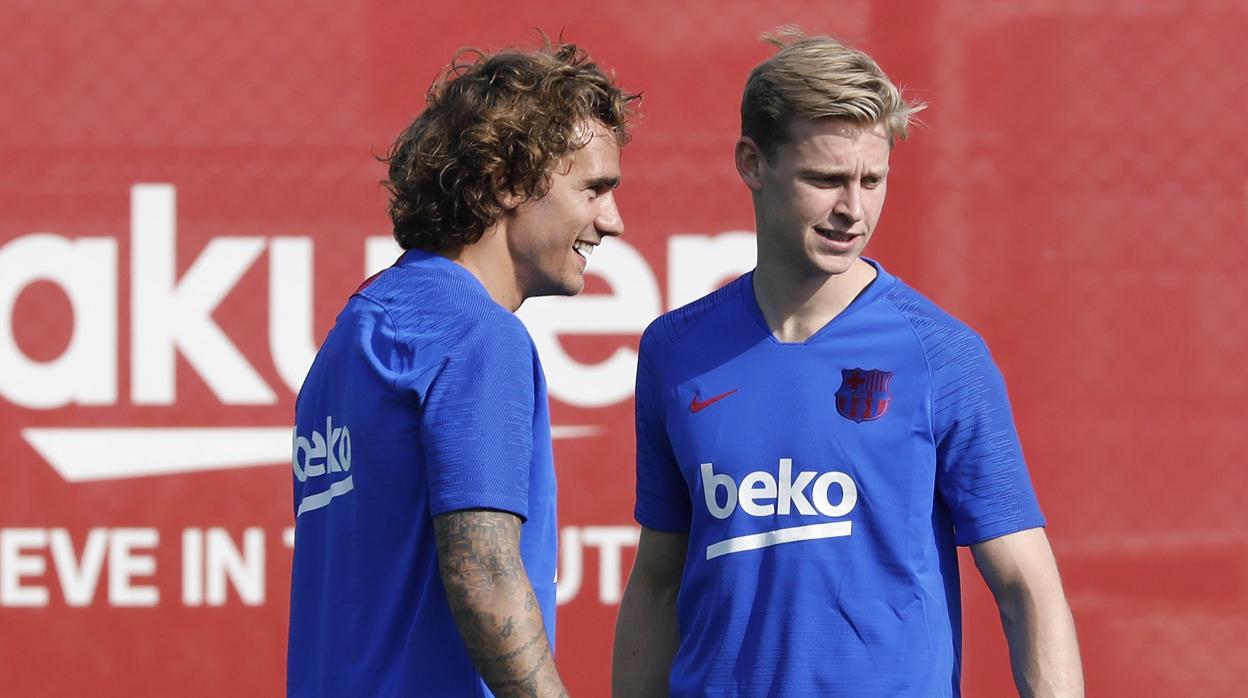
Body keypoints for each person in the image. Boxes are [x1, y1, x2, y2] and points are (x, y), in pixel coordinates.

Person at [613, 30, 1083, 697]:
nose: (852, 210)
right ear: (752, 162)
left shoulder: (943, 355)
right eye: (825, 178)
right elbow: (658, 584)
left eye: (872, 179)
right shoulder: (674, 350)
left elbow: (1028, 588)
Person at [288, 39, 636, 698]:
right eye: (594, 190)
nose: (612, 222)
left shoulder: (351, 335)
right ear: (506, 182)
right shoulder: (480, 337)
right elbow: (484, 575)